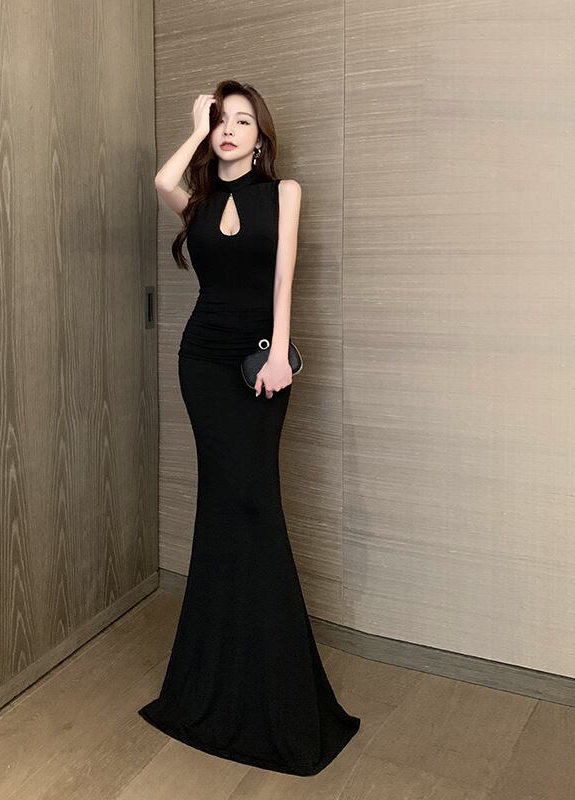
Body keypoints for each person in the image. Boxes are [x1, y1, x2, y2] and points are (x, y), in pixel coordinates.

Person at [138, 80, 360, 776]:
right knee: (222, 504)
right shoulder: (198, 202)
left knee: (254, 505)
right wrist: (194, 126)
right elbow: (162, 180)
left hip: (259, 361)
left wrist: (279, 353)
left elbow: (284, 278)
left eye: (242, 120)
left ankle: (275, 691)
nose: (230, 129)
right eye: (221, 121)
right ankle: (212, 679)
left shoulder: (283, 192)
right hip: (203, 363)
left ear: (261, 136)